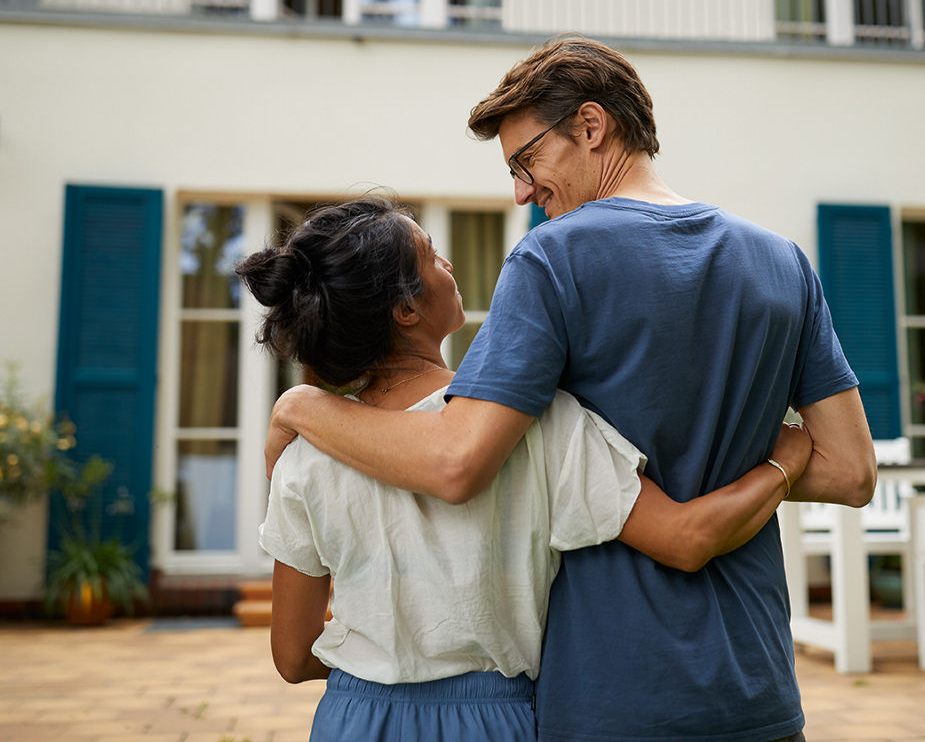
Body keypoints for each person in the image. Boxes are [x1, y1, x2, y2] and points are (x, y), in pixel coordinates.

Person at [265, 38, 877, 741]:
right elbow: (853, 472)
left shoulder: (555, 257)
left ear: (591, 127)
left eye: (526, 161)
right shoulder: (782, 262)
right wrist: (782, 453)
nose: (522, 191)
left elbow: (456, 460)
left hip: (608, 693)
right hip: (758, 685)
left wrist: (302, 403)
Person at [238, 196, 815, 740]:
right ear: (407, 308)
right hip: (496, 721)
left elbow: (292, 656)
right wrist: (783, 464)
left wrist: (379, 664)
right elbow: (687, 539)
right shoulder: (538, 425)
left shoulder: (305, 453)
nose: (450, 263)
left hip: (354, 717)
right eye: (432, 255)